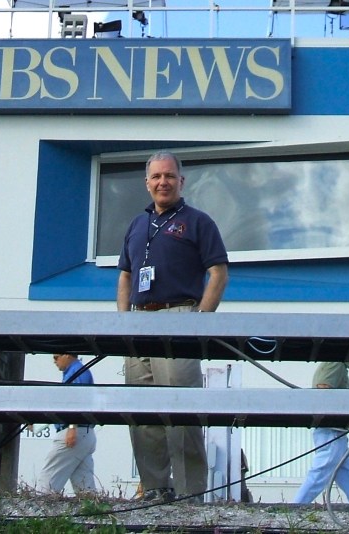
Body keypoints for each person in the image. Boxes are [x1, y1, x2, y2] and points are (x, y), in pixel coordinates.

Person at [116, 151, 229, 502]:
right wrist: (124, 323)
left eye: (169, 176)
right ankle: (154, 488)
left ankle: (190, 493)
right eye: (156, 177)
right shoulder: (136, 224)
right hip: (139, 320)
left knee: (181, 409)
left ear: (181, 181)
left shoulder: (198, 221)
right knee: (143, 412)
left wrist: (198, 321)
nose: (162, 182)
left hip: (179, 315)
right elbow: (125, 276)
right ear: (147, 183)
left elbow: (219, 273)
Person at [293, 362, 349, 504]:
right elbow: (323, 388)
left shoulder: (338, 365)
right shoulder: (336, 363)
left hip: (336, 433)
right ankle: (294, 509)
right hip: (332, 432)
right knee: (319, 474)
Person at [37, 353, 97, 494]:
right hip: (85, 432)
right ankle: (92, 512)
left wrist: (72, 426)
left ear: (67, 355)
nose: (54, 361)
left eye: (56, 357)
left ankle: (40, 512)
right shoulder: (77, 371)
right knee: (84, 484)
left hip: (74, 431)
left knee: (48, 479)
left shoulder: (76, 371)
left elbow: (77, 401)